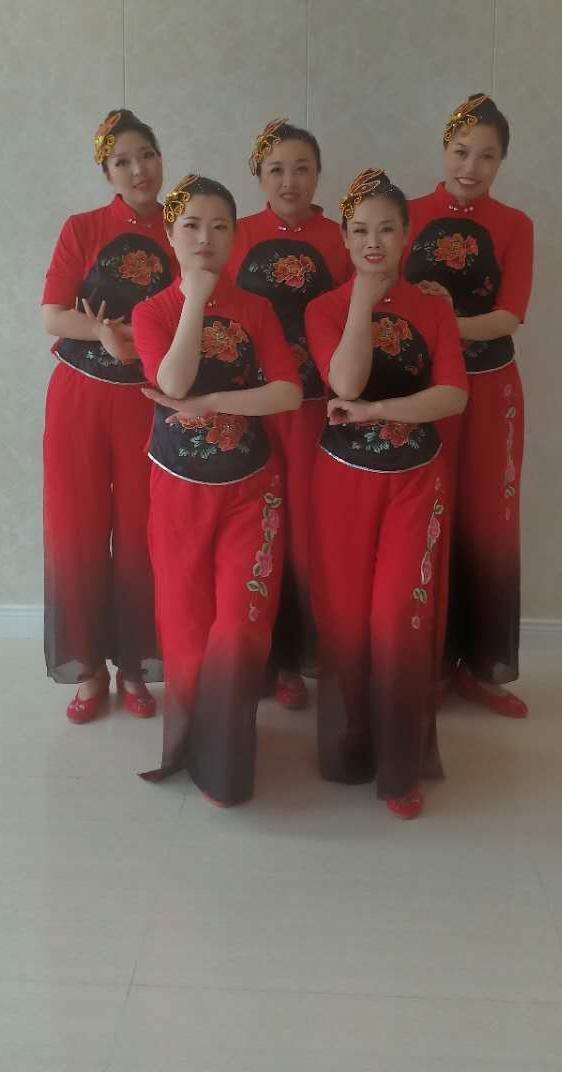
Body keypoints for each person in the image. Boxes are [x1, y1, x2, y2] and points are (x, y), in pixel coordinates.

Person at [132, 175, 302, 807]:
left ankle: (226, 766)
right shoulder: (151, 312)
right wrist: (197, 299)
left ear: (235, 235)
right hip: (178, 487)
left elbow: (287, 392)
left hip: (252, 489)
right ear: (171, 233)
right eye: (191, 226)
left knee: (241, 624)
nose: (205, 238)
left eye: (220, 226)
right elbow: (172, 382)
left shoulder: (256, 309)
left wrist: (215, 403)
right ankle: (191, 746)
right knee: (185, 626)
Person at [305, 169, 469, 818]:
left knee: (399, 616)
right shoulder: (324, 308)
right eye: (360, 231)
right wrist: (363, 303)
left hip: (416, 481)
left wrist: (381, 412)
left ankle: (400, 767)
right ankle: (354, 741)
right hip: (342, 482)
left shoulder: (434, 308)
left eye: (387, 229)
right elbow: (345, 383)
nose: (373, 242)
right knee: (346, 619)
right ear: (345, 240)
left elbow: (452, 396)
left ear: (407, 235)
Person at [41, 110, 177, 722]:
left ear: (160, 159)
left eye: (146, 154)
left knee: (144, 533)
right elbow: (51, 314)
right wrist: (99, 333)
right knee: (78, 528)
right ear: (107, 172)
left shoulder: (182, 228)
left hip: (149, 401)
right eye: (122, 161)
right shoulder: (83, 227)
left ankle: (135, 666)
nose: (138, 169)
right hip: (81, 397)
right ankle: (88, 667)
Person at [403, 94, 534, 717]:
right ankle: (423, 665)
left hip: (491, 390)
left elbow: (509, 316)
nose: (471, 167)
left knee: (489, 521)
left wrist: (444, 319)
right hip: (424, 390)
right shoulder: (405, 215)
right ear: (443, 150)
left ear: (502, 161)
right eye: (461, 152)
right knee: (426, 518)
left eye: (487, 156)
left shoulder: (515, 225)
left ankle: (481, 669)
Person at [227, 121, 353, 709]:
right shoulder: (235, 234)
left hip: (315, 411)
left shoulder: (341, 238)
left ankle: (298, 659)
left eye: (302, 168)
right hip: (249, 411)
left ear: (319, 174)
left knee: (305, 535)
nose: (289, 181)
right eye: (276, 169)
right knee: (254, 532)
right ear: (258, 177)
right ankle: (252, 659)